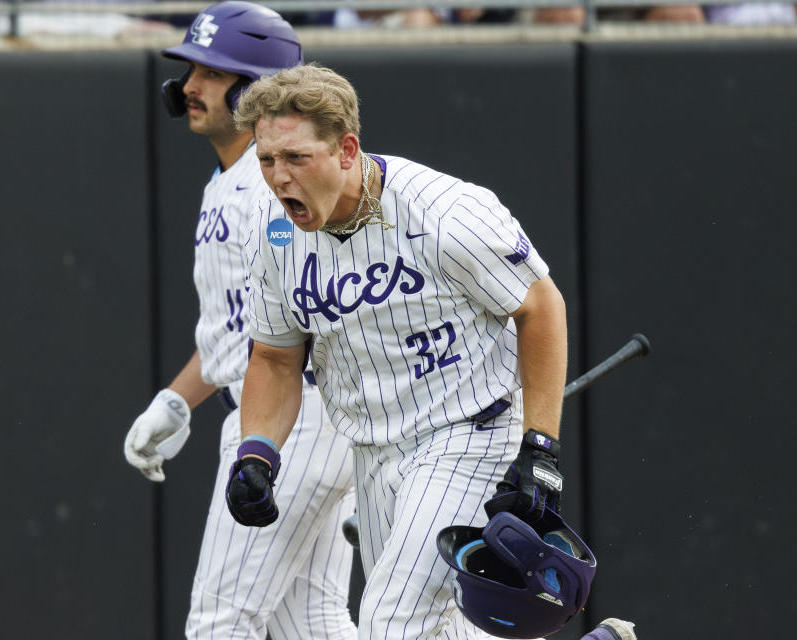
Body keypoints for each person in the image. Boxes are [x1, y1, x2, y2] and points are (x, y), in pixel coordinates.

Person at [225, 62, 637, 639]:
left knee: (391, 626)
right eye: (267, 159)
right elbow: (275, 357)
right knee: (448, 632)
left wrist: (540, 445)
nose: (278, 176)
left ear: (346, 150)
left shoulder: (444, 210)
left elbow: (540, 306)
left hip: (465, 435)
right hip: (371, 452)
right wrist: (257, 453)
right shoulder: (271, 233)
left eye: (296, 157)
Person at [122, 5, 357, 639]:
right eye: (191, 70)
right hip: (296, 415)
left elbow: (311, 321)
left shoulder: (273, 184)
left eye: (211, 72)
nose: (190, 86)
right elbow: (244, 325)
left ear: (256, 90)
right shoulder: (234, 179)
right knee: (312, 623)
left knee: (219, 625)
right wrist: (178, 399)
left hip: (290, 418)